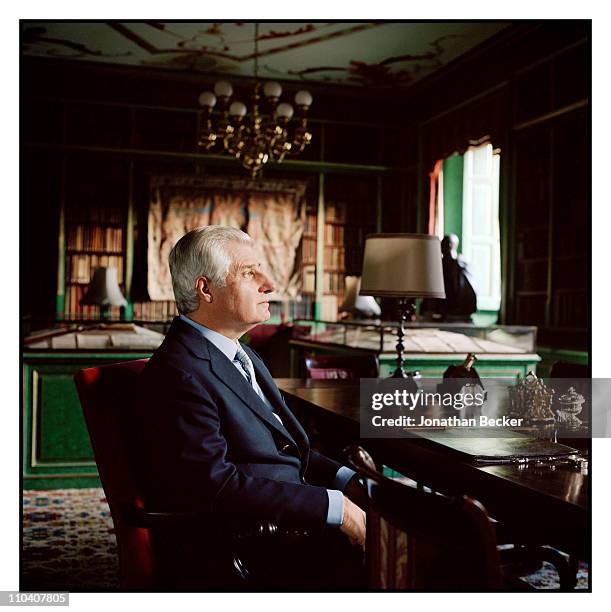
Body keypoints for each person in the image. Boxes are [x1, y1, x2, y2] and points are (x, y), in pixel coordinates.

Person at [135, 226, 366, 590]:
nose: (270, 283)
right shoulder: (178, 372)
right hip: (254, 544)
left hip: (288, 519)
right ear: (205, 289)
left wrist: (349, 481)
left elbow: (283, 448)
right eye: (249, 273)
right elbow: (216, 487)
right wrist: (336, 509)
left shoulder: (244, 354)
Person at [423, 234, 477, 322]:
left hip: (457, 311)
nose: (441, 246)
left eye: (444, 244)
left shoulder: (462, 266)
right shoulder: (437, 266)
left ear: (450, 245)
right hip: (441, 311)